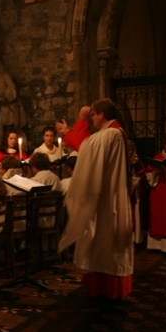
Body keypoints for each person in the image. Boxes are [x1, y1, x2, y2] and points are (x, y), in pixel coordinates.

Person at [56, 98, 133, 299]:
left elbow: (85, 147)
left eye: (93, 116)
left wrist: (80, 121)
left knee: (104, 239)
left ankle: (107, 289)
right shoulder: (112, 133)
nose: (92, 119)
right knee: (103, 241)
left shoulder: (111, 134)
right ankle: (101, 287)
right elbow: (88, 146)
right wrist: (69, 132)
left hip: (106, 197)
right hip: (108, 193)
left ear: (101, 115)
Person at [0, 60, 27, 147]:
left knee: (13, 129)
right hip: (3, 107)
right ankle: (0, 147)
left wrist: (7, 97)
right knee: (0, 128)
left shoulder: (6, 77)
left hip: (10, 108)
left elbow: (12, 89)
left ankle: (18, 147)